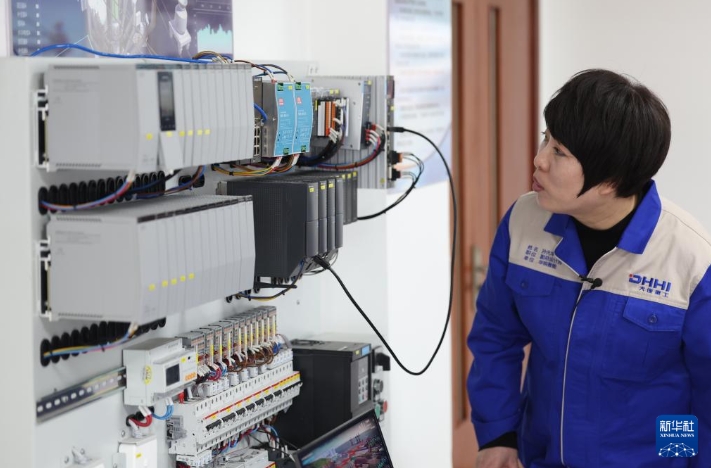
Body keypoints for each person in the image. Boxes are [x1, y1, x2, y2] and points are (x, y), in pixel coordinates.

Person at [467, 69, 711, 467]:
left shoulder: (690, 258)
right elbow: (496, 337)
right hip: (541, 456)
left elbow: (705, 392)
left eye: (560, 152)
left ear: (610, 180)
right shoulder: (523, 221)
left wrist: (677, 460)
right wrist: (499, 435)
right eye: (546, 138)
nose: (539, 160)